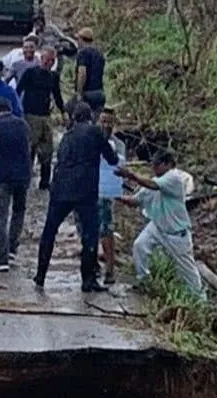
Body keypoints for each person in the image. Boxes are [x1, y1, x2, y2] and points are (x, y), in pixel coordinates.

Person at [34, 102, 120, 293]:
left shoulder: (67, 136)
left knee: (49, 232)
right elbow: (112, 158)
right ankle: (88, 280)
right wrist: (106, 139)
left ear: (74, 118)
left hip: (60, 189)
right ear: (90, 117)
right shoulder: (95, 132)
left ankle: (40, 276)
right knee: (90, 235)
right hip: (84, 192)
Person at [117, 150, 206, 301]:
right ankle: (143, 280)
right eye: (153, 165)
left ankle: (200, 299)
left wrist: (132, 175)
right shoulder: (155, 182)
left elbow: (151, 185)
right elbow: (136, 200)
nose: (154, 169)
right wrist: (115, 195)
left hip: (176, 232)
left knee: (187, 269)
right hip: (157, 226)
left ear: (168, 164)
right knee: (140, 246)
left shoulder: (174, 177)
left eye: (157, 165)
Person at [0, 98, 32, 272]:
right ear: (10, 108)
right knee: (19, 211)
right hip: (23, 176)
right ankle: (12, 249)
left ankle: (2, 259)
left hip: (2, 176)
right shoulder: (23, 125)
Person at [17, 45, 65, 189]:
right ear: (41, 59)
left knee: (47, 150)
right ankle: (25, 179)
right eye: (47, 60)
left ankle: (45, 181)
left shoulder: (53, 77)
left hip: (45, 116)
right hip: (30, 116)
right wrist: (17, 112)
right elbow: (18, 91)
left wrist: (63, 111)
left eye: (52, 61)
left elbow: (57, 95)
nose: (49, 63)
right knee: (29, 149)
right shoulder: (30, 73)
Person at [96, 108, 127, 284]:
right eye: (103, 121)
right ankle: (94, 264)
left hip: (107, 193)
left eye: (109, 121)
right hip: (91, 191)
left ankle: (110, 269)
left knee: (106, 229)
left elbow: (120, 166)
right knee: (90, 230)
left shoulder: (118, 145)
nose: (106, 125)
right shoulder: (92, 140)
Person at [74, 27, 106, 112]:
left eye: (78, 39)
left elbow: (82, 73)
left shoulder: (83, 53)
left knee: (84, 120)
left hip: (88, 93)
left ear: (81, 39)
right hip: (99, 92)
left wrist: (79, 93)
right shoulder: (99, 53)